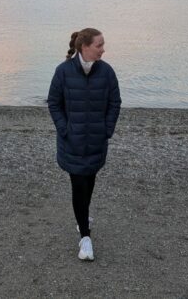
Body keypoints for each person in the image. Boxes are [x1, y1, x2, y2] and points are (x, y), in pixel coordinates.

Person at [47, 28, 122, 261]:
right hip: (73, 143)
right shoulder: (63, 72)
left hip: (97, 142)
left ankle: (83, 217)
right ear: (84, 47)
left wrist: (107, 129)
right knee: (78, 186)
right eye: (99, 45)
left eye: (103, 44)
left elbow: (115, 102)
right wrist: (64, 129)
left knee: (89, 183)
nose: (103, 49)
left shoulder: (107, 72)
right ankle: (85, 238)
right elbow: (53, 102)